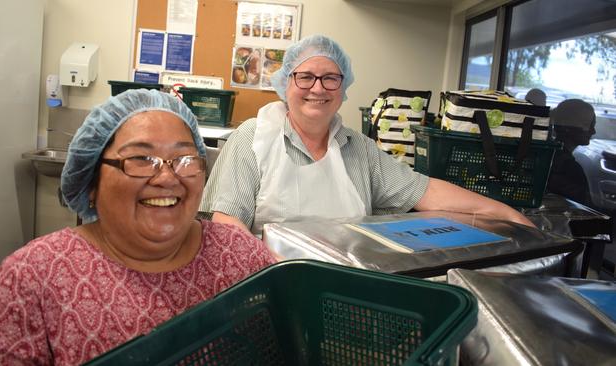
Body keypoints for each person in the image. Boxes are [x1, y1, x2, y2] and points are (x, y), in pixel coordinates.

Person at [0, 89, 276, 365]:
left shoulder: (241, 257)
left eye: (183, 158)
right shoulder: (32, 279)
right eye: (141, 158)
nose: (167, 178)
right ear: (91, 182)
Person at [200, 34, 533, 236]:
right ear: (286, 84)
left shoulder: (359, 149)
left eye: (330, 78)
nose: (318, 88)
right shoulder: (252, 139)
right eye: (305, 77)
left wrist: (504, 212)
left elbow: (425, 191)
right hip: (271, 286)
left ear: (343, 88)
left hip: (348, 287)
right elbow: (227, 226)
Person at [547, 98, 596, 205]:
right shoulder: (569, 169)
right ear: (566, 126)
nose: (593, 131)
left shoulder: (550, 156)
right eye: (586, 124)